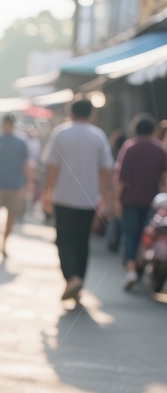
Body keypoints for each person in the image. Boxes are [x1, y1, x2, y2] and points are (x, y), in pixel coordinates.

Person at [41, 100, 114, 301]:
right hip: (89, 199)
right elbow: (105, 170)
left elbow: (52, 166)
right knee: (82, 241)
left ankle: (72, 278)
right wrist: (103, 197)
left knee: (64, 240)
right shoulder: (98, 136)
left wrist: (46, 192)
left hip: (63, 197)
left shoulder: (61, 133)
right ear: (91, 113)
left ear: (70, 111)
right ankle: (79, 280)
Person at [114, 114, 167, 290]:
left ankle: (130, 270)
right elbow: (165, 178)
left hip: (130, 199)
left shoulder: (130, 147)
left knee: (130, 235)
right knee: (147, 235)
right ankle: (140, 265)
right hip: (153, 202)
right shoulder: (160, 149)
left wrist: (116, 200)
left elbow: (122, 178)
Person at [0, 114, 33, 256]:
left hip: (10, 184)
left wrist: (29, 182)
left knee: (7, 216)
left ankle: (2, 245)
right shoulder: (2, 141)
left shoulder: (17, 142)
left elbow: (25, 164)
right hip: (3, 184)